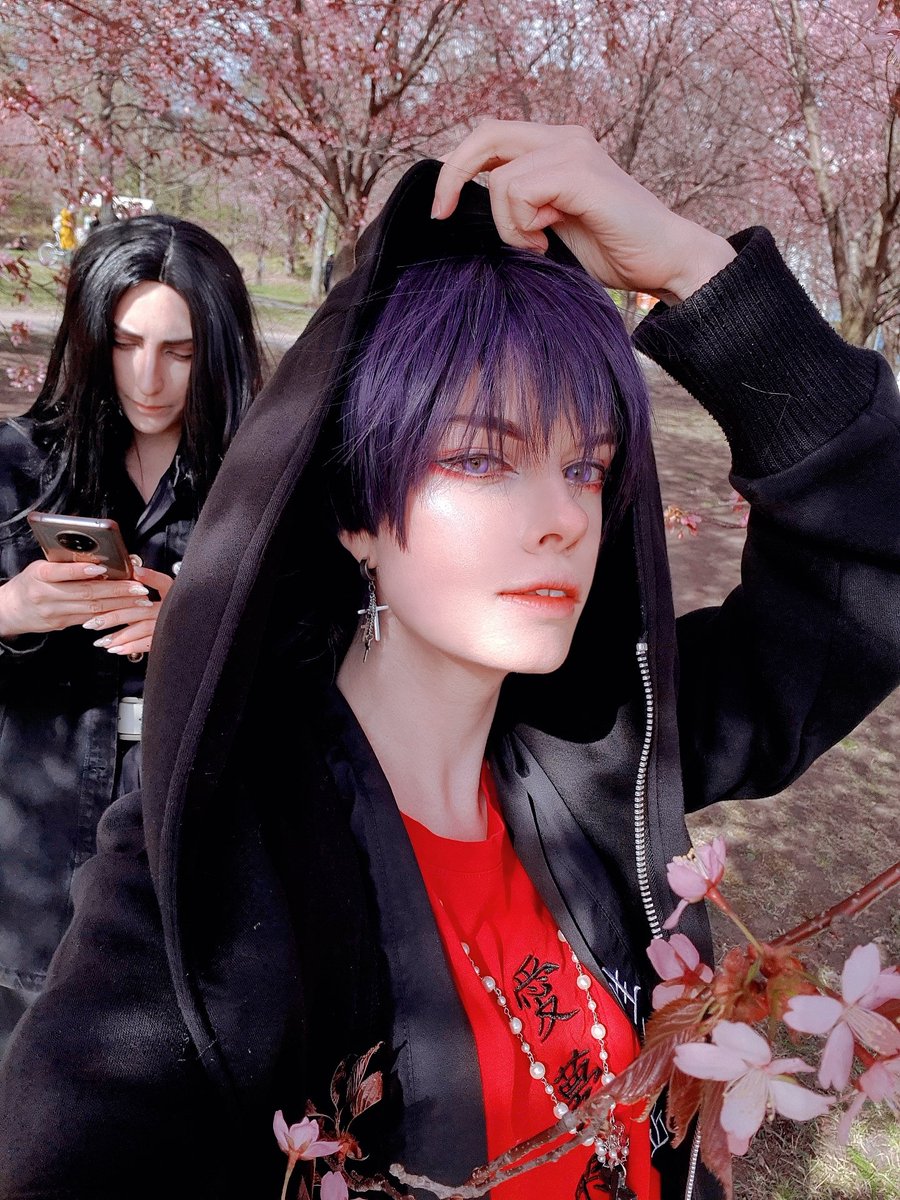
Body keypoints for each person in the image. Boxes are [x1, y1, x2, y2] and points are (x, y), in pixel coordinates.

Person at [1, 120, 898, 1200]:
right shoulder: (216, 870)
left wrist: (700, 275)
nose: (564, 517)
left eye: (586, 467)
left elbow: (868, 577)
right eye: (480, 457)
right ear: (355, 513)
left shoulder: (600, 747)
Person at [0, 213, 263, 1050]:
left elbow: (328, 654)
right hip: (36, 829)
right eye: (125, 344)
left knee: (172, 1047)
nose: (149, 379)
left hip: (197, 819)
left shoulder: (257, 483)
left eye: (180, 352)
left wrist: (193, 631)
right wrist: (12, 612)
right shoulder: (19, 463)